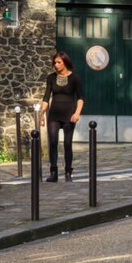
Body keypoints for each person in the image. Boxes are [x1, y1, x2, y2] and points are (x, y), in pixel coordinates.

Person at [43, 50, 84, 182]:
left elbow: (81, 98)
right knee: (53, 143)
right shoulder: (51, 78)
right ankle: (53, 172)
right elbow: (46, 97)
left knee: (67, 143)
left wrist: (77, 113)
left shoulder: (75, 78)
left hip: (69, 115)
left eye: (59, 62)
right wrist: (41, 115)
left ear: (65, 62)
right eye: (54, 62)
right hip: (54, 115)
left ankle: (68, 172)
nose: (56, 65)